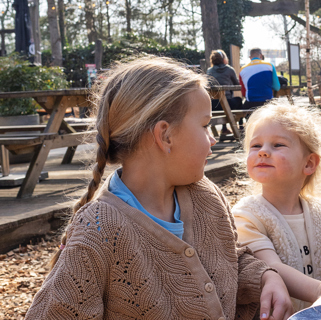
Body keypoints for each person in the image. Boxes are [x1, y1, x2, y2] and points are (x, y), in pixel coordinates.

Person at [26, 57, 293, 320]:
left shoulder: (205, 196)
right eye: (205, 125)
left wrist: (265, 277)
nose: (212, 139)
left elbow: (228, 260)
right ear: (165, 135)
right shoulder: (98, 232)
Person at [231, 103, 321, 311]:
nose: (263, 151)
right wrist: (319, 290)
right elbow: (272, 267)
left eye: (278, 145)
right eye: (255, 145)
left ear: (309, 163)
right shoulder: (246, 216)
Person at [207, 49, 243, 135]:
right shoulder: (229, 69)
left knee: (224, 101)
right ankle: (241, 127)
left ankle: (224, 129)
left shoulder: (209, 71)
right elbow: (237, 85)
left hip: (213, 104)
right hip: (227, 103)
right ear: (224, 59)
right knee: (238, 100)